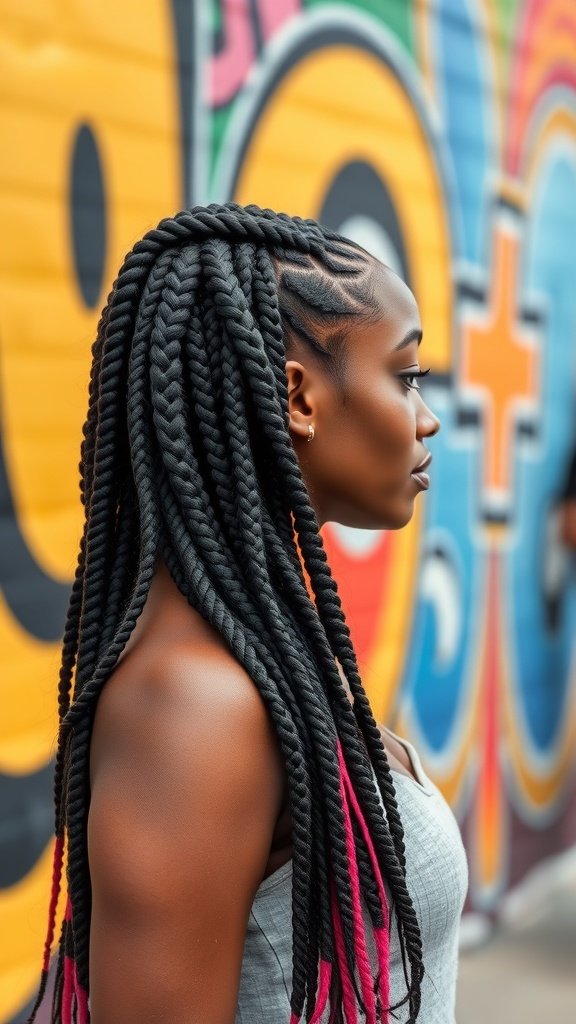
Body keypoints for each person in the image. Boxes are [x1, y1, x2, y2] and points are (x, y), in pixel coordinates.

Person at [29, 203, 468, 1024]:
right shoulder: (193, 708)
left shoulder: (263, 644)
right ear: (298, 397)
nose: (426, 416)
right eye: (406, 376)